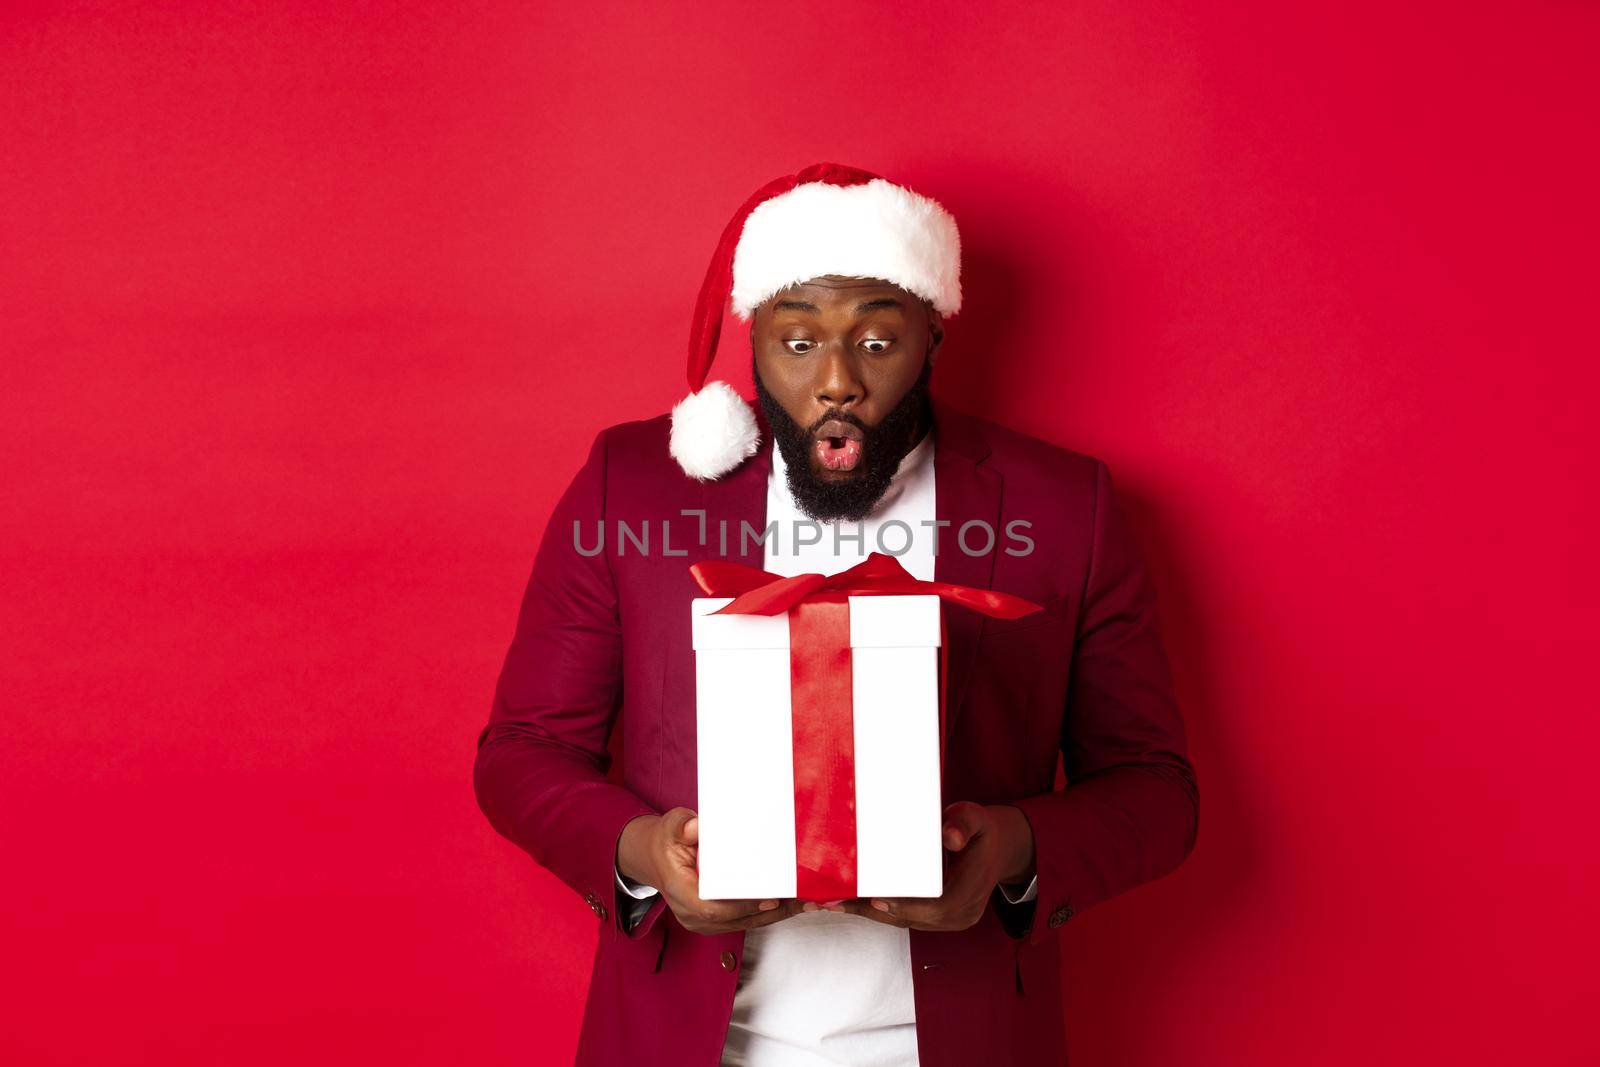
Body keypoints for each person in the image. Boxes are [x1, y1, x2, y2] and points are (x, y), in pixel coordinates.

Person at [473, 163, 1198, 1067]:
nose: (838, 381)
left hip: (964, 1040)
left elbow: (1156, 788)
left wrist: (1012, 851)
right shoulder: (635, 488)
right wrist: (646, 854)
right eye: (799, 339)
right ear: (754, 339)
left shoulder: (1064, 507)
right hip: (688, 1040)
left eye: (877, 341)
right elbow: (522, 751)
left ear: (931, 333)